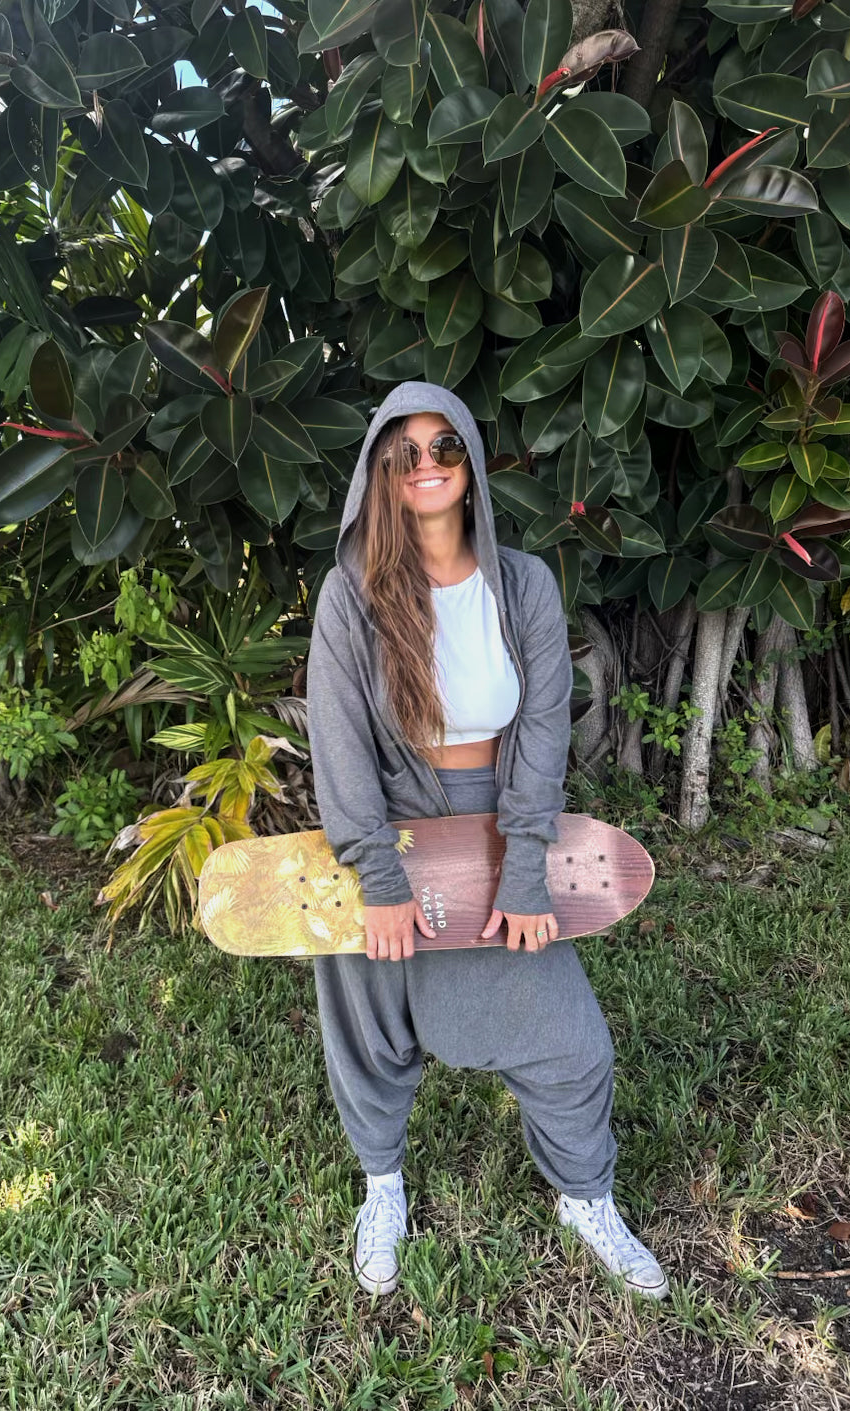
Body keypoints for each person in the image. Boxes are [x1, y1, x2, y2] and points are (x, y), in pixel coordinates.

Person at [305, 381, 668, 1301]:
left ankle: (585, 1194)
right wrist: (379, 878)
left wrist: (526, 868)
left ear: (469, 467)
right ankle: (381, 1187)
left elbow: (542, 730)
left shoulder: (525, 585)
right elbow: (339, 741)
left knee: (570, 1041)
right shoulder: (350, 597)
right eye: (404, 454)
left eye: (444, 449)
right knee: (370, 1028)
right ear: (380, 475)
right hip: (382, 822)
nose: (425, 466)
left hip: (498, 818)